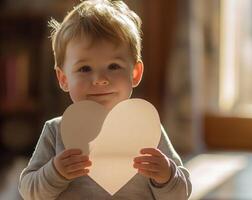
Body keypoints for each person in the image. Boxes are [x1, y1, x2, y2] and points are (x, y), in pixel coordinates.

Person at [18, 0, 192, 199]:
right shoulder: (56, 131)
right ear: (63, 78)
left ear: (135, 73)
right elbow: (28, 192)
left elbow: (180, 193)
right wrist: (54, 172)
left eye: (113, 66)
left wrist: (166, 175)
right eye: (85, 69)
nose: (100, 79)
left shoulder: (147, 129)